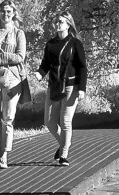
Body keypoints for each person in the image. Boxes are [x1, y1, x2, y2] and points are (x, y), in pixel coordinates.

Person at [32, 11, 87, 167]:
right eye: (56, 22)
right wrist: (39, 74)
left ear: (68, 24)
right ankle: (64, 143)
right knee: (49, 122)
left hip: (71, 86)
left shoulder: (75, 43)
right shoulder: (50, 44)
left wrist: (82, 88)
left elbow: (82, 68)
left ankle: (63, 154)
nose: (57, 24)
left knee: (65, 122)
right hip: (53, 85)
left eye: (61, 22)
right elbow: (45, 65)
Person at [0, 0, 30, 169]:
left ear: (14, 13)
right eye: (3, 11)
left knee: (7, 118)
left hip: (13, 78)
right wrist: (3, 59)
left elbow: (20, 57)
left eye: (9, 11)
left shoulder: (19, 33)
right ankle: (1, 145)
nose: (6, 14)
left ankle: (3, 154)